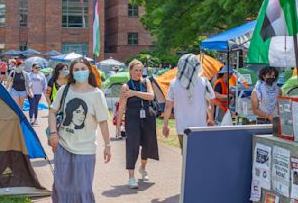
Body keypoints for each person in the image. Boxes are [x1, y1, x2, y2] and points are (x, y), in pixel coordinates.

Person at [48, 57, 111, 202]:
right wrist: (53, 133)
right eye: (76, 69)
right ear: (71, 73)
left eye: (83, 69)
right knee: (61, 186)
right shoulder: (65, 90)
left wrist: (107, 146)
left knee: (82, 189)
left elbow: (103, 122)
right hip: (63, 146)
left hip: (85, 150)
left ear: (89, 71)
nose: (80, 72)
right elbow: (52, 112)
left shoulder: (97, 94)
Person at [116, 59, 159, 189]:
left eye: (140, 70)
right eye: (136, 70)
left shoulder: (146, 82)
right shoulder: (125, 87)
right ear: (130, 71)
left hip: (148, 117)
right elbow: (122, 107)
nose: (138, 73)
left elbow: (151, 96)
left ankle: (143, 168)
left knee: (147, 145)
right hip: (132, 118)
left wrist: (134, 93)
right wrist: (118, 125)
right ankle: (131, 177)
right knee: (132, 146)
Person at [162, 54, 215, 151]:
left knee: (186, 155)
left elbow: (168, 106)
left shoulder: (174, 83)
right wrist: (210, 118)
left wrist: (165, 125)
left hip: (182, 128)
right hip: (200, 127)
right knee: (200, 153)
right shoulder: (204, 82)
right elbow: (209, 104)